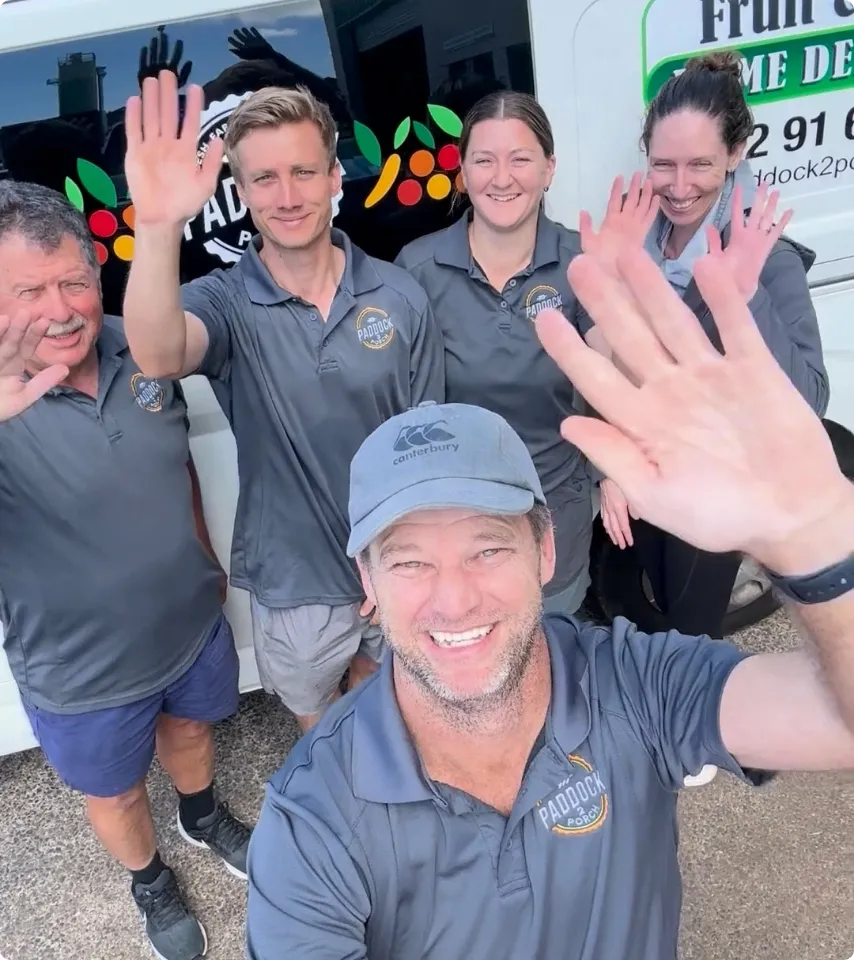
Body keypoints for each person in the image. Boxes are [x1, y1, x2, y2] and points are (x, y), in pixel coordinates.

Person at [243, 220, 854, 959]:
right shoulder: (311, 820)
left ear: (546, 551)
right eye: (409, 562)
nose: (455, 599)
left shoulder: (636, 685)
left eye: (487, 548)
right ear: (365, 583)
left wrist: (814, 539)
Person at [122, 72, 444, 733]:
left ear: (335, 177)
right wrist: (155, 227)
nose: (288, 195)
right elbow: (156, 354)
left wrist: (405, 562)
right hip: (294, 582)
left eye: (304, 171)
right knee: (317, 723)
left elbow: (427, 448)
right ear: (240, 193)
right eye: (264, 178)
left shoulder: (399, 295)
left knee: (397, 711)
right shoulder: (225, 301)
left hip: (394, 565)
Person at [0, 181, 251, 960]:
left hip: (187, 620)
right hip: (80, 667)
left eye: (73, 280)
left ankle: (201, 812)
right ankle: (148, 879)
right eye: (26, 292)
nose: (60, 309)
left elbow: (179, 466)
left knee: (191, 728)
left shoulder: (144, 344)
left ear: (100, 272)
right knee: (112, 791)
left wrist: (208, 560)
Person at [594, 51, 829, 643]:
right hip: (648, 474)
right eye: (662, 164)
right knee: (650, 613)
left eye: (700, 164)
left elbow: (810, 396)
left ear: (735, 153)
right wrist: (610, 466)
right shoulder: (639, 242)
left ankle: (693, 733)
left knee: (690, 632)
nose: (678, 187)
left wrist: (740, 297)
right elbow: (610, 361)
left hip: (721, 480)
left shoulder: (763, 255)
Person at [396, 91, 594, 617]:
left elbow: (612, 379)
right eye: (484, 160)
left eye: (521, 159)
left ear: (549, 168)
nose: (502, 178)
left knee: (553, 654)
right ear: (462, 171)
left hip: (555, 517)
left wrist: (614, 476)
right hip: (457, 526)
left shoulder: (583, 261)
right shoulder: (418, 268)